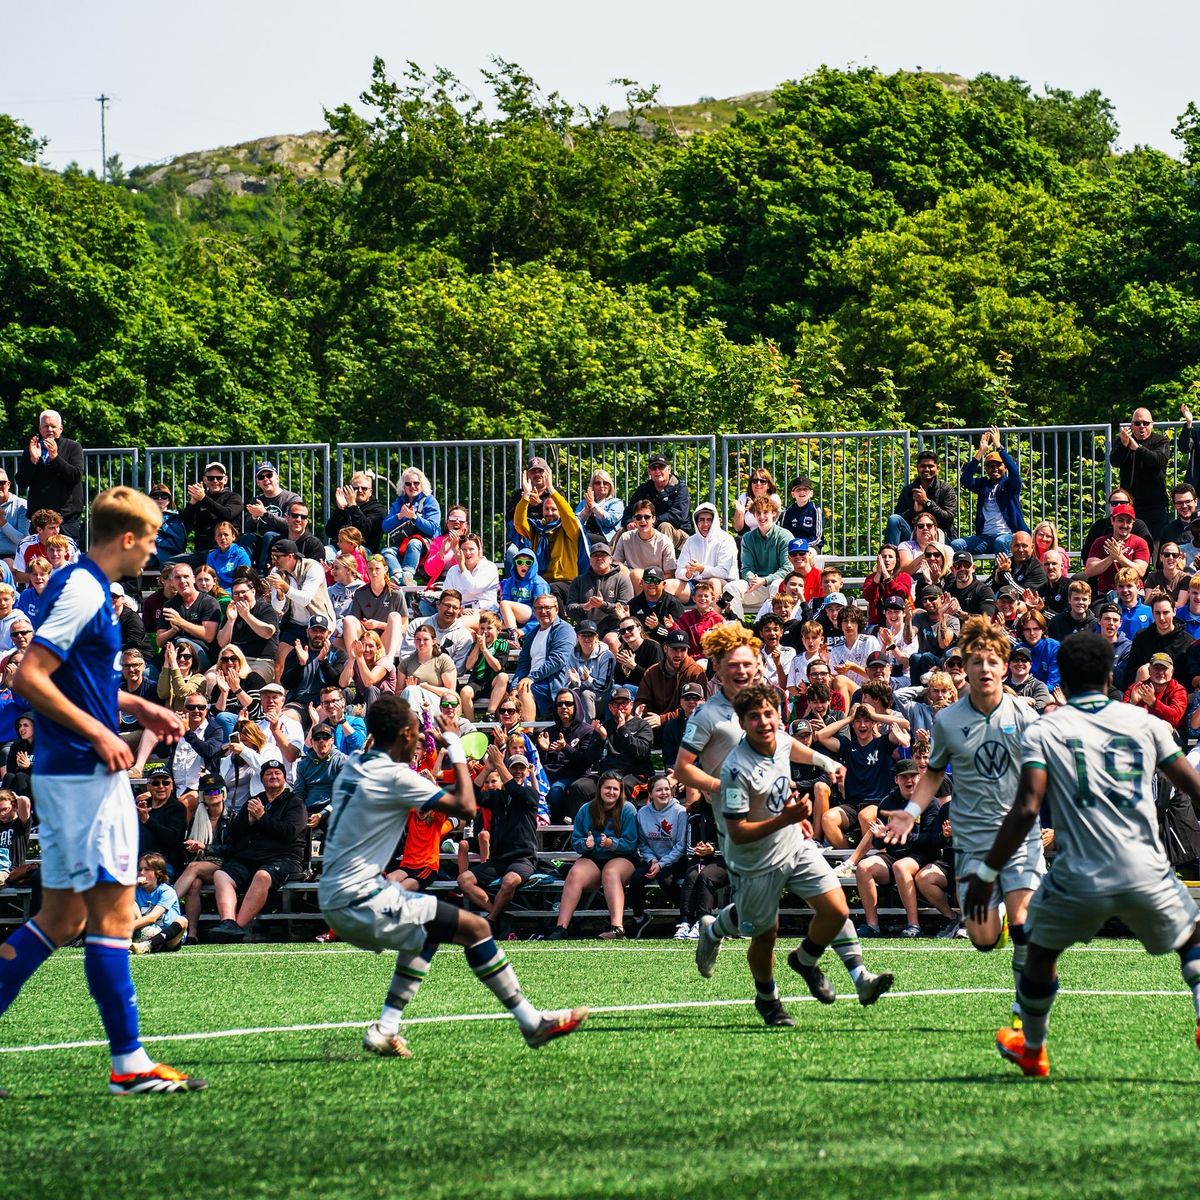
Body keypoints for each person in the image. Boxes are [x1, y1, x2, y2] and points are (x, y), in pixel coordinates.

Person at [2, 486, 203, 1095]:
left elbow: (76, 679)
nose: (155, 551)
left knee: (61, 917)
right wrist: (98, 732)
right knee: (114, 916)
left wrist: (136, 705)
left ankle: (129, 1063)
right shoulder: (85, 589)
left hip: (71, 771)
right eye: (152, 538)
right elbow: (30, 676)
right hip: (84, 773)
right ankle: (129, 1064)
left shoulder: (85, 587)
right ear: (127, 538)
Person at [964, 632, 1200, 1077]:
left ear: (1065, 682)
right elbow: (1194, 787)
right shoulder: (1145, 722)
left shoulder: (1046, 729)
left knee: (1038, 955)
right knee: (1193, 942)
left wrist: (988, 871)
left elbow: (1027, 808)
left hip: (1078, 872)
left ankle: (1033, 1048)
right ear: (1111, 676)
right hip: (1145, 867)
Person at [319, 696, 586, 1054]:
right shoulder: (395, 776)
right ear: (404, 734)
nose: (419, 740)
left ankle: (386, 1027)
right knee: (476, 930)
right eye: (416, 733)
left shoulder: (354, 766)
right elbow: (466, 806)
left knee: (427, 934)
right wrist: (455, 747)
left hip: (333, 896)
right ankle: (532, 1023)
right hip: (362, 897)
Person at [694, 683, 893, 1024]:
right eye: (754, 716)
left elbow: (793, 747)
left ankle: (828, 967)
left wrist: (826, 762)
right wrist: (785, 817)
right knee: (762, 931)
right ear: (742, 722)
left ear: (778, 717)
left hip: (794, 842)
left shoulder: (779, 739)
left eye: (769, 714)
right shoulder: (735, 771)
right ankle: (765, 995)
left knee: (836, 909)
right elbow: (738, 831)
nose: (763, 722)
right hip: (754, 855)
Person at [885, 614, 1042, 1030]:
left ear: (1004, 667)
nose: (985, 668)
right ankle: (996, 923)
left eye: (993, 661)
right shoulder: (949, 721)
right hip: (972, 840)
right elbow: (933, 773)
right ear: (965, 669)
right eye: (976, 661)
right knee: (982, 937)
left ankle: (1025, 1014)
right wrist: (911, 812)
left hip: (1019, 835)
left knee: (1025, 923)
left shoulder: (1024, 716)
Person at [207, 759, 307, 942]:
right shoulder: (254, 801)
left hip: (283, 858)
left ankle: (237, 927)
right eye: (269, 773)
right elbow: (233, 833)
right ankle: (228, 922)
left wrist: (262, 817)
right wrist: (248, 821)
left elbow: (289, 833)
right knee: (221, 875)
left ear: (284, 778)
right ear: (262, 779)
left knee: (262, 876)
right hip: (249, 858)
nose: (273, 776)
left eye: (278, 773)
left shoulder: (295, 803)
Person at [456, 745, 540, 928]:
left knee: (510, 881)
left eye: (521, 768)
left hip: (523, 858)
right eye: (514, 768)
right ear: (507, 770)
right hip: (497, 859)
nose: (518, 771)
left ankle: (492, 920)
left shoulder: (530, 793)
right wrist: (487, 769)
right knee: (464, 880)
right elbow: (471, 796)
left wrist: (500, 764)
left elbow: (516, 791)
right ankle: (497, 916)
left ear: (527, 772)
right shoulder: (497, 797)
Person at [548, 770, 639, 939]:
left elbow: (631, 844)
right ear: (599, 789)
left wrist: (612, 843)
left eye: (615, 789)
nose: (611, 792)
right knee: (575, 873)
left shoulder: (628, 809)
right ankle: (561, 927)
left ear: (620, 791)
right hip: (594, 856)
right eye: (607, 788)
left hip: (623, 857)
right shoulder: (586, 809)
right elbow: (576, 841)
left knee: (610, 872)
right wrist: (585, 844)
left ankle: (617, 928)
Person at [953, 427, 1027, 556]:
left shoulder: (1010, 485)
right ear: (986, 468)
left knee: (1000, 542)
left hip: (1008, 536)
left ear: (1005, 467)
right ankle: (964, 569)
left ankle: (1003, 570)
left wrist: (999, 447)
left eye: (998, 465)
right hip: (984, 538)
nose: (995, 469)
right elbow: (965, 479)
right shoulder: (983, 485)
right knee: (956, 544)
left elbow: (1015, 472)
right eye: (990, 466)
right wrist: (980, 452)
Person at [15, 409, 85, 544]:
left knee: (64, 555)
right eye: (46, 426)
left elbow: (75, 476)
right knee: (39, 557)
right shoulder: (32, 449)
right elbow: (22, 481)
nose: (50, 430)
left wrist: (55, 457)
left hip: (66, 518)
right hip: (39, 520)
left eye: (53, 426)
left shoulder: (73, 447)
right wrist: (33, 461)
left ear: (61, 428)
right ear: (40, 429)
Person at [722, 498, 792, 619]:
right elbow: (746, 568)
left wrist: (764, 580)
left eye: (765, 512)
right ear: (754, 515)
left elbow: (787, 569)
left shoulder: (785, 536)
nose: (762, 516)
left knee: (776, 585)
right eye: (758, 513)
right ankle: (738, 626)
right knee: (730, 588)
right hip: (756, 585)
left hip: (778, 585)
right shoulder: (747, 538)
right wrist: (752, 579)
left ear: (774, 513)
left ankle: (776, 625)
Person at [511, 594, 576, 721]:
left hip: (552, 682)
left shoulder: (564, 630)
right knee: (506, 697)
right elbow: (523, 664)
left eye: (547, 607)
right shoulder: (532, 634)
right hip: (532, 681)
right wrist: (513, 687)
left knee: (524, 690)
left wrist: (531, 678)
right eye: (539, 608)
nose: (543, 611)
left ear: (556, 609)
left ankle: (528, 732)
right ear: (534, 611)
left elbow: (557, 660)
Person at [1110, 407, 1171, 541]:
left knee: (1155, 545)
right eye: (1137, 423)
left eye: (1146, 423)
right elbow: (1114, 461)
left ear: (1152, 424)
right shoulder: (1123, 440)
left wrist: (1137, 449)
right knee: (1127, 544)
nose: (1141, 427)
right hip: (1129, 505)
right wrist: (1124, 445)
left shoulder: (1161, 441)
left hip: (1155, 504)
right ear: (1132, 425)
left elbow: (1158, 461)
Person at [381, 467, 442, 583]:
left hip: (426, 546)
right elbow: (385, 527)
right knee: (386, 552)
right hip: (403, 546)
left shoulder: (430, 501)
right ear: (403, 487)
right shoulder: (399, 503)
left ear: (422, 484)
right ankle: (398, 576)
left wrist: (415, 518)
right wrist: (399, 516)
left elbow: (432, 529)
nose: (412, 486)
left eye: (416, 483)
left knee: (414, 542)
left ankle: (407, 575)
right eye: (408, 484)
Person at [885, 449, 958, 545]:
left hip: (940, 536)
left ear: (937, 468)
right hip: (913, 536)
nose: (927, 469)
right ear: (917, 468)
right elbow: (898, 519)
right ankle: (890, 553)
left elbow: (948, 519)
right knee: (893, 519)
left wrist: (927, 503)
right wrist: (914, 511)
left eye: (930, 466)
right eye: (923, 466)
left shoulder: (946, 489)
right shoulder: (908, 490)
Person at [566, 540, 633, 643]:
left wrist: (603, 605)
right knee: (569, 641)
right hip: (585, 628)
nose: (599, 558)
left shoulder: (622, 580)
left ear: (610, 559)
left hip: (613, 628)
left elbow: (624, 609)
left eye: (603, 555)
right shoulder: (578, 581)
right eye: (595, 555)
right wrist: (585, 607)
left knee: (610, 640)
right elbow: (569, 609)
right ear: (590, 560)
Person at [612, 499, 680, 598]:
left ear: (654, 519)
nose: (643, 520)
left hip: (655, 582)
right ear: (634, 520)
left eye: (647, 517)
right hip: (631, 580)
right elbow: (616, 563)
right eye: (639, 517)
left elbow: (669, 574)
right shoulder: (625, 537)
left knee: (637, 574)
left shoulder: (665, 541)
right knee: (621, 569)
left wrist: (648, 581)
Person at [625, 453, 692, 547]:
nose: (657, 471)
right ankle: (610, 555)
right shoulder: (643, 489)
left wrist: (651, 521)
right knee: (623, 531)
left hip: (678, 534)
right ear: (649, 472)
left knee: (664, 526)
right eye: (653, 468)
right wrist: (629, 522)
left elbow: (678, 516)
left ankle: (664, 556)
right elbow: (629, 510)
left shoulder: (680, 488)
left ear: (669, 469)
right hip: (649, 528)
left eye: (661, 467)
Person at [675, 502, 737, 601]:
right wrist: (687, 574)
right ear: (696, 522)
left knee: (714, 582)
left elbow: (724, 572)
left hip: (725, 585)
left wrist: (702, 569)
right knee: (669, 585)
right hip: (696, 584)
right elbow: (679, 571)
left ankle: (715, 611)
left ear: (715, 521)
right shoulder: (691, 541)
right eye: (701, 520)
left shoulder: (726, 539)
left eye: (709, 520)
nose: (705, 524)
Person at [1083, 503, 1150, 593]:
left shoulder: (1140, 543)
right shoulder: (1101, 542)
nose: (1125, 525)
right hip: (1106, 592)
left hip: (1133, 592)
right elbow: (1089, 571)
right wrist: (1111, 557)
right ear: (1112, 521)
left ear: (1133, 523)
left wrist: (1120, 557)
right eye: (1120, 520)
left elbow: (1140, 572)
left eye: (1129, 521)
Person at [130, 853, 188, 954]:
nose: (142, 873)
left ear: (158, 873)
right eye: (140, 869)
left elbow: (152, 917)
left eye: (147, 869)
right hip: (145, 932)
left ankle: (148, 945)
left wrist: (126, 927)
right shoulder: (136, 890)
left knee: (182, 920)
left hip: (168, 938)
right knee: (129, 903)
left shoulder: (166, 891)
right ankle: (128, 942)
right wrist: (131, 887)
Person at [326, 471, 387, 554]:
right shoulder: (345, 506)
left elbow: (367, 530)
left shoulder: (378, 509)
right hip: (338, 547)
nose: (360, 491)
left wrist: (353, 506)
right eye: (355, 488)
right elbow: (329, 532)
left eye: (364, 488)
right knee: (325, 552)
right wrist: (340, 510)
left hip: (363, 549)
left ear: (370, 492)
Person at [574, 468, 624, 543]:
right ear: (593, 486)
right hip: (586, 534)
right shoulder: (584, 503)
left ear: (610, 486)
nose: (601, 485)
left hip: (605, 539)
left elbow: (609, 521)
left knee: (582, 536)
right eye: (597, 483)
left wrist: (593, 506)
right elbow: (575, 523)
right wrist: (586, 511)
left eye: (605, 483)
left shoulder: (616, 503)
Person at [781, 475, 823, 548]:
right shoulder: (788, 511)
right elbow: (785, 533)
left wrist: (802, 545)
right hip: (792, 545)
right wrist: (794, 545)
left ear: (811, 493)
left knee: (809, 553)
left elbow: (817, 537)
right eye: (798, 490)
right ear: (793, 494)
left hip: (811, 545)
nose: (802, 492)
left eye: (805, 489)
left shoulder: (815, 510)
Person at [0, 468, 29, 565]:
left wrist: (2, 521)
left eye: (1, 483)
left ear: (8, 484)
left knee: (7, 564)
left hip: (12, 555)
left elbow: (23, 541)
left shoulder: (22, 506)